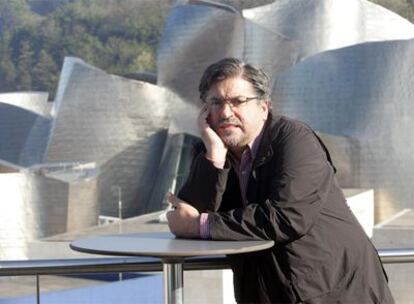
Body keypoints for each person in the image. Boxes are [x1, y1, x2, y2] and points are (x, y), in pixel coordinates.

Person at [166, 57, 394, 303]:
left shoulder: (293, 139)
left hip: (337, 291)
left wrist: (201, 225)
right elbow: (189, 213)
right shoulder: (209, 150)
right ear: (204, 110)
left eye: (238, 102)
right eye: (216, 102)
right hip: (270, 291)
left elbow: (287, 217)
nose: (225, 112)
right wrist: (214, 159)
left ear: (263, 107)